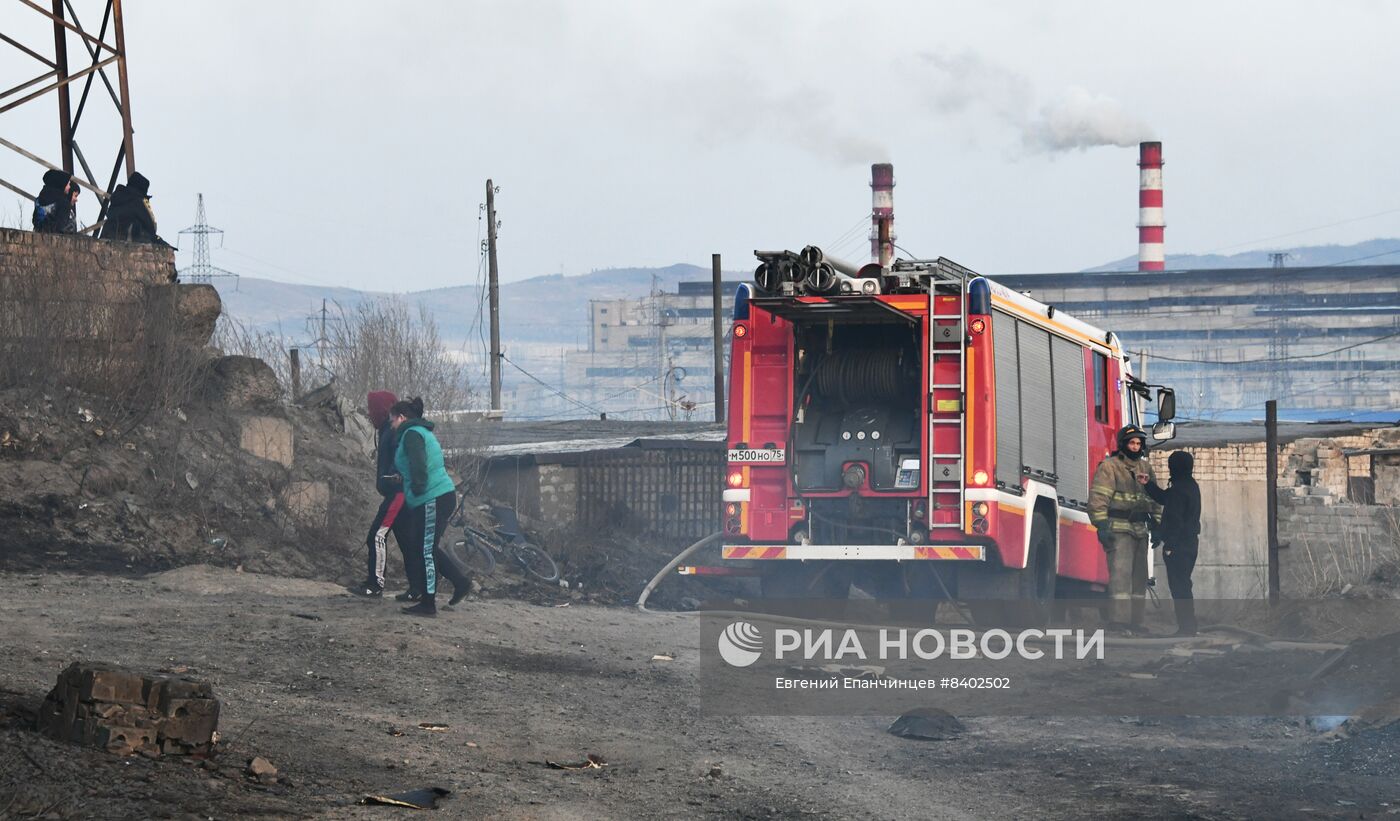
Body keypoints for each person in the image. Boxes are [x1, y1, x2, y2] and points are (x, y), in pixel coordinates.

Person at [390, 397, 470, 616]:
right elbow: (417, 464)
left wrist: (416, 488)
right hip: (435, 495)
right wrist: (404, 477)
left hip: (432, 497)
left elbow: (419, 466)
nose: (391, 425)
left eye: (392, 420)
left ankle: (428, 604)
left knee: (424, 550)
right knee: (423, 546)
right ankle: (460, 582)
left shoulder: (412, 434)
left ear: (402, 418)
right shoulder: (419, 432)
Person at [1089, 424, 1161, 635]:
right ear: (1123, 444)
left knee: (1139, 579)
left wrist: (1157, 524)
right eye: (1132, 442)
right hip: (1118, 529)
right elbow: (1098, 499)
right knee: (1120, 578)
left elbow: (1155, 498)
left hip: (1140, 529)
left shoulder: (1145, 468)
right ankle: (1118, 623)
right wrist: (1101, 525)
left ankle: (1136, 623)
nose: (1135, 446)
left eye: (1139, 443)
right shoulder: (1110, 467)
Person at [354, 390, 420, 599]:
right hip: (397, 492)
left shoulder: (392, 431)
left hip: (398, 493)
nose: (369, 414)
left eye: (371, 409)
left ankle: (375, 585)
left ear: (381, 410)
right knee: (407, 541)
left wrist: (394, 476)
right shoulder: (385, 430)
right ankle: (417, 589)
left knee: (377, 535)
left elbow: (402, 457)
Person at [1146, 451, 1202, 636]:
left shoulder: (1179, 489)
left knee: (1179, 587)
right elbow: (1164, 498)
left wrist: (1169, 545)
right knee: (1184, 584)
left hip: (1179, 545)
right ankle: (1189, 626)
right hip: (1191, 544)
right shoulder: (1190, 486)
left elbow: (1175, 520)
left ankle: (1186, 628)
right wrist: (1147, 484)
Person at [99, 172, 160, 243]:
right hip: (128, 243)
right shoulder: (138, 201)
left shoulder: (117, 197)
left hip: (106, 238)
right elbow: (151, 227)